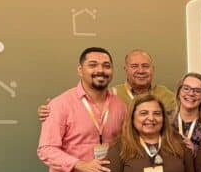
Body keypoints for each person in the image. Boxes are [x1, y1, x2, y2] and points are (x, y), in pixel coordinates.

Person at [37, 47, 126, 172]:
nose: (100, 70)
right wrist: (81, 165)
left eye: (106, 66)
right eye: (93, 65)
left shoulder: (120, 106)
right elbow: (46, 149)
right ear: (80, 69)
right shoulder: (60, 104)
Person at [37, 50, 176, 122]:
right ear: (125, 69)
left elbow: (180, 120)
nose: (141, 71)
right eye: (134, 66)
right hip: (122, 156)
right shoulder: (112, 94)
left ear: (153, 69)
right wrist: (52, 111)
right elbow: (84, 111)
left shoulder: (167, 95)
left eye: (145, 66)